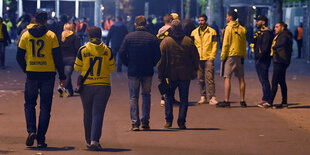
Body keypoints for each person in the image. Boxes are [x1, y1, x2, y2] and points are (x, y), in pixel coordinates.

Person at [16, 11, 66, 148]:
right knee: (45, 107)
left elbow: (19, 56)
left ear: (34, 20)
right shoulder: (51, 36)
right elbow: (57, 58)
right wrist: (62, 76)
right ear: (46, 21)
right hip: (48, 75)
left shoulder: (25, 35)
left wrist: (26, 68)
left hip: (32, 74)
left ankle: (31, 130)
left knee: (29, 104)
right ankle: (41, 139)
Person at [74, 26, 115, 150]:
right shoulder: (108, 50)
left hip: (86, 86)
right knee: (98, 113)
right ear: (101, 35)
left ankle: (88, 140)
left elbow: (77, 68)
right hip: (103, 86)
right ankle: (94, 140)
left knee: (87, 113)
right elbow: (112, 68)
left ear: (89, 36)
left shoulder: (83, 50)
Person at [119, 16, 161, 131]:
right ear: (146, 24)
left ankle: (135, 122)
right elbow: (158, 55)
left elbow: (121, 53)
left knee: (133, 96)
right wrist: (151, 63)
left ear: (135, 24)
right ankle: (145, 121)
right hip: (147, 71)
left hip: (133, 70)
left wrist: (128, 64)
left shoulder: (128, 37)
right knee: (146, 95)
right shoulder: (152, 38)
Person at [158, 19, 199, 129]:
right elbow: (195, 57)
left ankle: (168, 120)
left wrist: (160, 74)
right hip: (185, 74)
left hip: (170, 74)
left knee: (168, 97)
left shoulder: (166, 42)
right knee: (184, 99)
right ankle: (181, 122)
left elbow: (161, 60)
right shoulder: (188, 41)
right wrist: (195, 70)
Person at [218, 10, 247, 108]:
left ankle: (227, 100)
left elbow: (226, 44)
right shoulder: (242, 29)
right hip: (240, 55)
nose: (226, 18)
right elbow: (244, 44)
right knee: (241, 78)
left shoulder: (228, 28)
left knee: (227, 77)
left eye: (227, 16)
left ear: (230, 17)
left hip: (230, 56)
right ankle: (242, 100)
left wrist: (223, 56)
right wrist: (244, 56)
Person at [191, 14, 218, 105]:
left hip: (208, 58)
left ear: (206, 21)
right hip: (199, 58)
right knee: (200, 79)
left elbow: (215, 45)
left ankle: (212, 97)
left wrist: (212, 56)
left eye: (202, 20)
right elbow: (192, 46)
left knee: (210, 78)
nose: (200, 22)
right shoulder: (194, 32)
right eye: (199, 20)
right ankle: (203, 96)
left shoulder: (212, 32)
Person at [268, 22, 292, 109]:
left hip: (280, 61)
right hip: (280, 60)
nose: (275, 28)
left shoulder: (284, 35)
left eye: (277, 27)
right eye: (275, 27)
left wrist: (274, 47)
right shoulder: (281, 35)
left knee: (275, 81)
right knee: (281, 82)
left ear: (282, 28)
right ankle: (284, 102)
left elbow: (281, 43)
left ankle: (270, 102)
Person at [253, 15, 273, 108]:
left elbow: (265, 48)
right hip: (259, 59)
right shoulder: (260, 32)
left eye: (258, 21)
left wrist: (260, 57)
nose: (256, 22)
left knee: (264, 79)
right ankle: (265, 98)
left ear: (263, 22)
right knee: (262, 80)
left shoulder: (266, 33)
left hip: (263, 60)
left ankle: (266, 99)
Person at [60, 22, 81, 96]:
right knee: (67, 75)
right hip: (71, 59)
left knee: (66, 75)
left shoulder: (61, 37)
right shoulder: (74, 37)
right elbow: (78, 48)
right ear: (71, 28)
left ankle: (70, 91)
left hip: (62, 59)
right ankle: (62, 90)